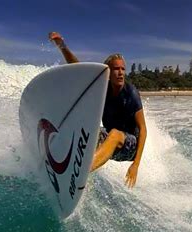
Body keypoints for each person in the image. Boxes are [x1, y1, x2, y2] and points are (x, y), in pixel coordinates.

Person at [48, 32, 147, 189]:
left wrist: (136, 165)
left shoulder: (131, 93)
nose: (120, 72)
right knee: (85, 129)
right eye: (116, 69)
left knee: (114, 134)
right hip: (109, 140)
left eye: (123, 69)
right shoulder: (102, 87)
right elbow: (79, 69)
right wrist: (62, 46)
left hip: (130, 147)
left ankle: (81, 172)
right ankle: (61, 161)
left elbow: (143, 129)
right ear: (108, 71)